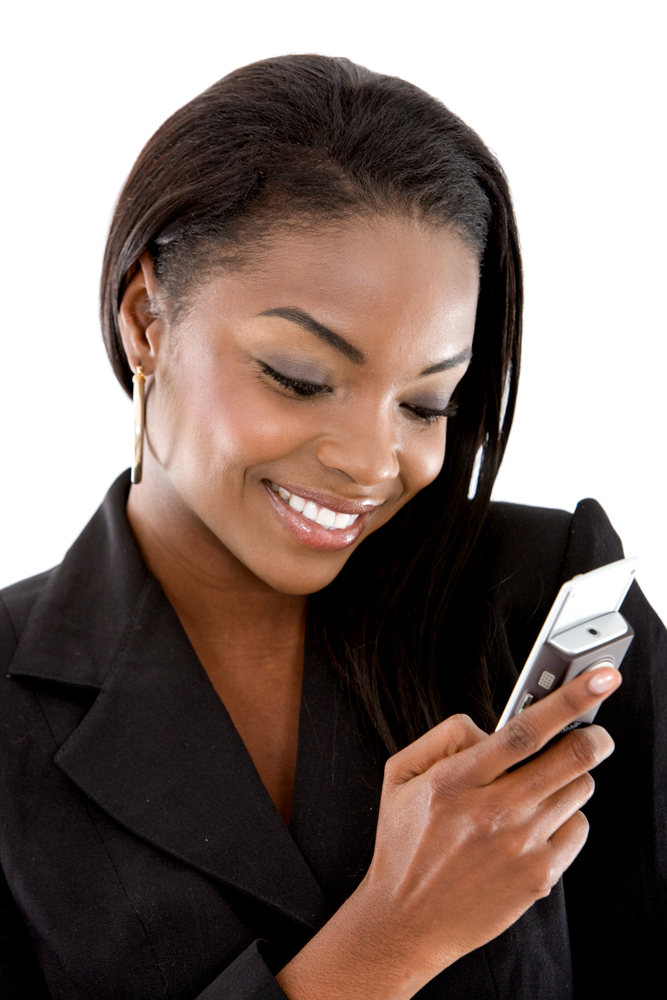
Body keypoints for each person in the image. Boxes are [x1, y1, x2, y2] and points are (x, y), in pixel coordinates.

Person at [0, 54, 664, 1000]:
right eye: (300, 378)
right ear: (148, 318)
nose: (370, 460)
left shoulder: (540, 595)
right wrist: (389, 943)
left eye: (426, 403)